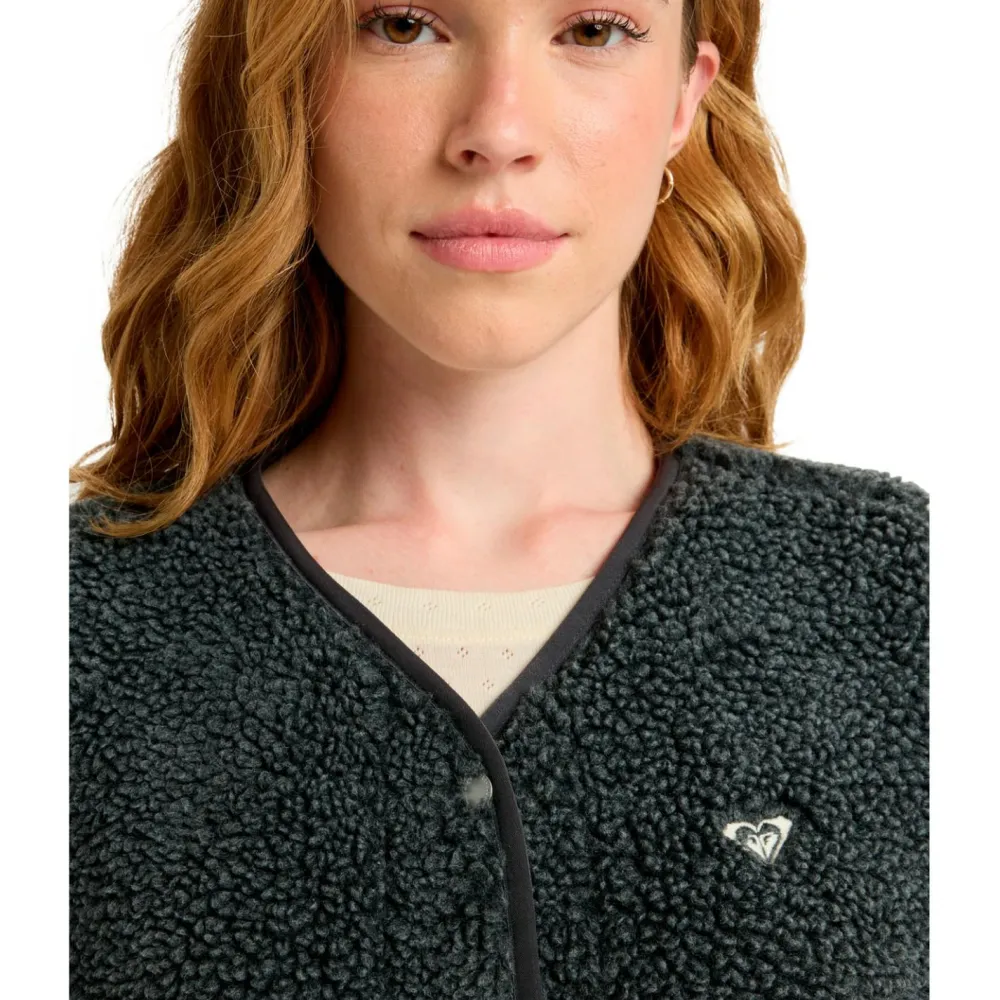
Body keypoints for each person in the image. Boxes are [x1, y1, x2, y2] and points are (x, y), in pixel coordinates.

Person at [69, 2, 929, 998]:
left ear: (684, 102)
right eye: (404, 26)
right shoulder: (71, 625)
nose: (498, 131)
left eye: (593, 31)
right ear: (285, 84)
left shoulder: (909, 597)